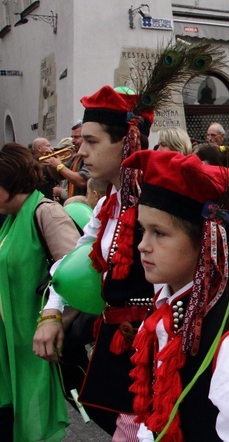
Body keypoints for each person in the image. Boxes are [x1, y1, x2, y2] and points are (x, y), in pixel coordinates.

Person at [122, 150, 229, 441]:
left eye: (159, 233)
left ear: (206, 241)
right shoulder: (170, 304)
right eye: (142, 230)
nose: (142, 246)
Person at [33, 85, 156, 438]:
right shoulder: (107, 205)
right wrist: (51, 312)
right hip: (118, 344)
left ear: (127, 143)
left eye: (92, 141)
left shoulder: (156, 205)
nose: (80, 151)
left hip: (155, 353)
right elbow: (74, 259)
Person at [0, 143, 81, 441]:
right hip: (11, 345)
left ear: (10, 182)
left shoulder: (45, 212)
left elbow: (74, 272)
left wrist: (54, 318)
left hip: (34, 344)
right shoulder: (9, 220)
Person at [45, 122, 90, 201]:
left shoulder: (90, 156)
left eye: (76, 137)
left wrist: (59, 165)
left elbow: (82, 181)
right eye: (72, 137)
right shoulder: (77, 157)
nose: (73, 141)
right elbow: (59, 176)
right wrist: (50, 162)